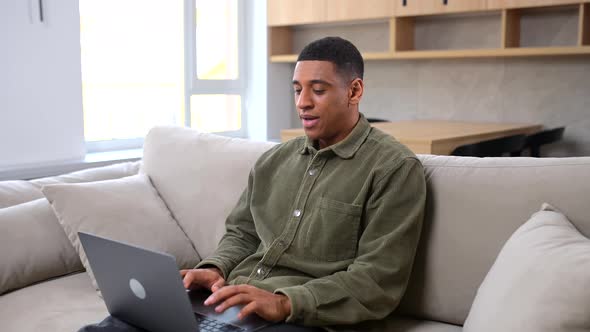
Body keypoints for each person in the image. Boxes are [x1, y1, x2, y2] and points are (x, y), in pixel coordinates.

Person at [181, 36, 427, 330]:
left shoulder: (394, 168)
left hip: (308, 319)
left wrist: (286, 302)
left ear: (354, 91)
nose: (303, 103)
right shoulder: (272, 160)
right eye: (297, 90)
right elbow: (243, 233)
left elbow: (376, 280)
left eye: (318, 90)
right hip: (234, 302)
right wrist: (215, 266)